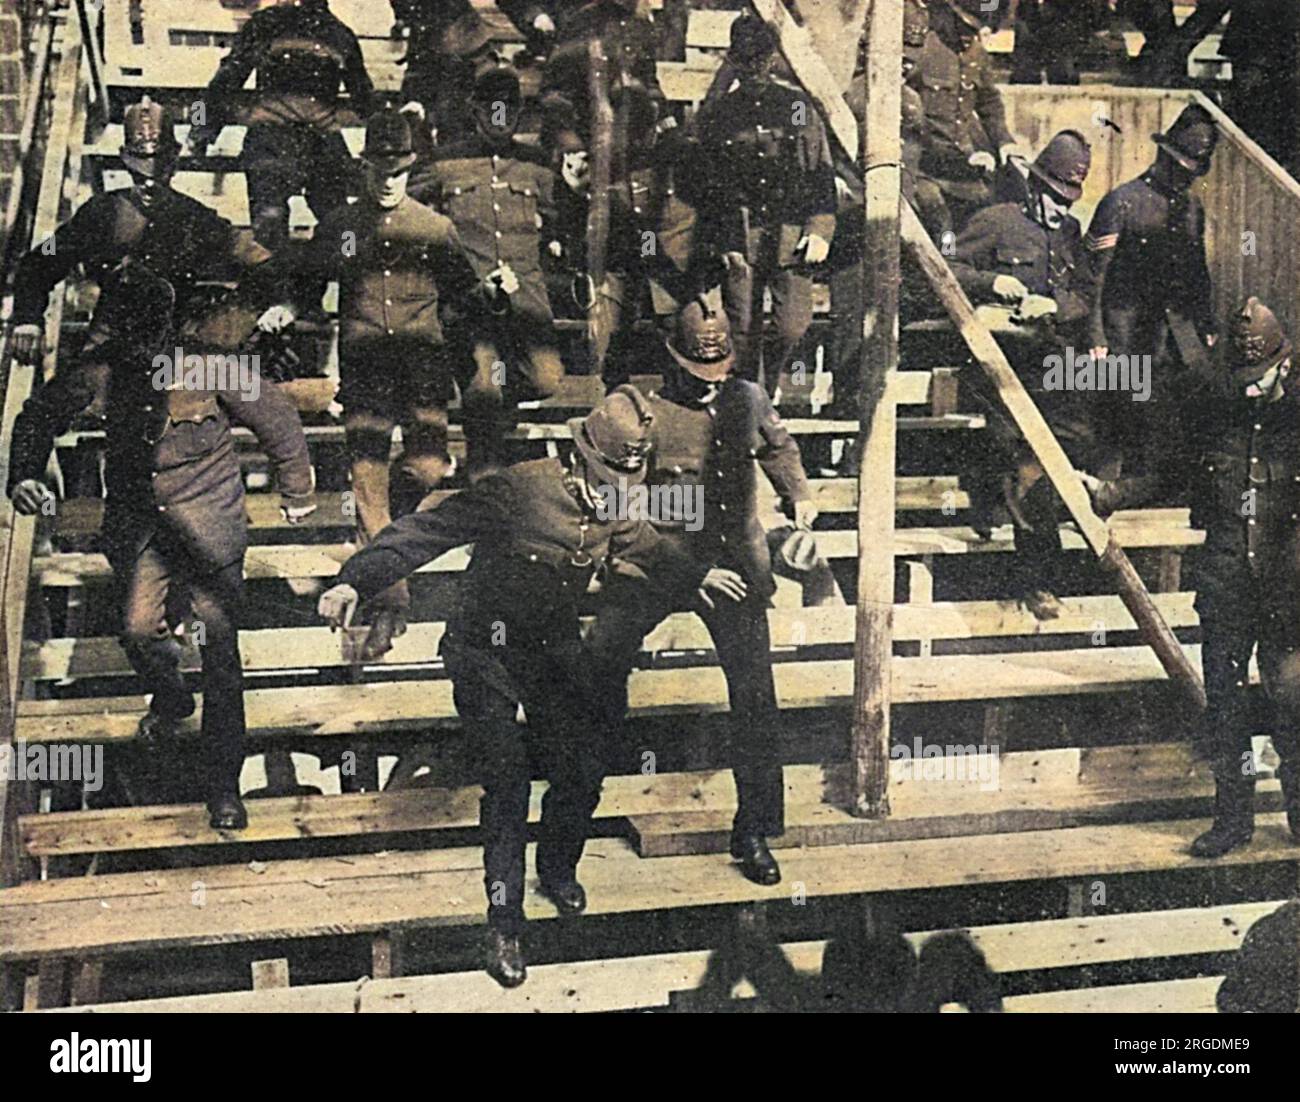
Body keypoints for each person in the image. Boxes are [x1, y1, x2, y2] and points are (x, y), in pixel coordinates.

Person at [317, 386, 743, 987]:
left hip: (548, 647)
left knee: (582, 764)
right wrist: (355, 582)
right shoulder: (518, 489)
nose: (612, 497)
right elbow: (425, 531)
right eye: (602, 480)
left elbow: (641, 543)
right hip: (483, 651)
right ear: (577, 458)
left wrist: (696, 572)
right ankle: (504, 922)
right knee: (508, 782)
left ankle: (558, 866)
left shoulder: (617, 499)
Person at [5, 99, 316, 831]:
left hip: (208, 525)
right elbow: (42, 405)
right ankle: (169, 699)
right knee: (140, 631)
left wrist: (272, 311)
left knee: (222, 649)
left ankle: (224, 785)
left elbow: (276, 415)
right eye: (140, 162)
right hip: (141, 519)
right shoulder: (106, 339)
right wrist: (24, 465)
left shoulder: (208, 356)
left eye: (160, 161)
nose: (151, 173)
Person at [265, 109, 514, 661]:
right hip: (366, 370)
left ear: (410, 168)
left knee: (429, 466)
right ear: (365, 168)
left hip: (423, 369)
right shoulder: (342, 226)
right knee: (368, 485)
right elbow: (307, 286)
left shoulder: (434, 227)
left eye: (398, 169)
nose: (388, 179)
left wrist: (493, 291)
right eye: (379, 168)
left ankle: (377, 544)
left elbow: (462, 298)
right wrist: (285, 306)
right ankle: (392, 605)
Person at [586, 297, 816, 886]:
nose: (710, 385)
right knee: (597, 657)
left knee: (756, 695)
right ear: (672, 362)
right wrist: (687, 571)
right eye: (697, 374)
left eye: (717, 370)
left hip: (734, 561)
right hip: (662, 559)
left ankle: (756, 828)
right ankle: (581, 797)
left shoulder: (746, 397)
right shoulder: (642, 410)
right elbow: (625, 510)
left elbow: (779, 446)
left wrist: (800, 494)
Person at [1083, 297, 1300, 859]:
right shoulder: (1211, 414)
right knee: (1224, 710)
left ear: (1287, 362)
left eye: (1262, 378)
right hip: (1227, 585)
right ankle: (1232, 822)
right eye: (1244, 378)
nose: (1251, 389)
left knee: (1293, 706)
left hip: (1289, 595)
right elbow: (1167, 471)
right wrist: (1109, 496)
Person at [949, 130, 1099, 618]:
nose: (1061, 208)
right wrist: (992, 281)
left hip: (1051, 360)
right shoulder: (995, 222)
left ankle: (1014, 505)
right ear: (1035, 185)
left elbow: (1084, 297)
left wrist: (1052, 305)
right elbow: (941, 270)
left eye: (1069, 199)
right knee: (1028, 464)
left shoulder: (1071, 233)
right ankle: (1038, 580)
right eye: (1055, 197)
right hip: (998, 366)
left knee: (1079, 439)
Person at [411, 61, 564, 480]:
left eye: (509, 109)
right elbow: (411, 214)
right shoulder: (446, 163)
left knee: (547, 378)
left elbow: (564, 217)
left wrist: (551, 249)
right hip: (470, 299)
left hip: (525, 299)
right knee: (484, 389)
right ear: (475, 109)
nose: (500, 118)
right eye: (491, 107)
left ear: (518, 113)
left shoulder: (537, 165)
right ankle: (485, 480)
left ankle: (499, 420)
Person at [691, 13, 836, 398]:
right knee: (742, 326)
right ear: (733, 61)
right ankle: (751, 401)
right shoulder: (722, 113)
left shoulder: (796, 106)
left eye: (760, 59)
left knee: (793, 325)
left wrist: (819, 228)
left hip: (790, 233)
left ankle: (767, 383)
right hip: (741, 234)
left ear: (772, 59)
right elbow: (709, 185)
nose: (753, 69)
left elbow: (819, 171)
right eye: (744, 60)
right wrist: (724, 243)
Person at [1085, 102, 1218, 479]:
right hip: (1123, 330)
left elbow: (1196, 269)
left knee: (1165, 418)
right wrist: (1096, 333)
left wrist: (1206, 320)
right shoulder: (1122, 201)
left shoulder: (1191, 209)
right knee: (1119, 422)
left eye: (1190, 172)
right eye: (1178, 167)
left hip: (1171, 333)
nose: (1183, 178)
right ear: (1163, 156)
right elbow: (1094, 276)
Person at [186, 0, 374, 252]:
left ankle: (344, 271)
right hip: (275, 142)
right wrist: (199, 129)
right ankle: (282, 280)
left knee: (342, 226)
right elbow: (224, 81)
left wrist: (199, 132)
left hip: (313, 145)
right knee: (277, 227)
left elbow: (222, 82)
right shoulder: (272, 25)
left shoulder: (337, 34)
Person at [917, 0, 1025, 232]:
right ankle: (947, 260)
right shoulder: (924, 51)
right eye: (964, 27)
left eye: (976, 29)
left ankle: (963, 263)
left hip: (966, 166)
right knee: (941, 222)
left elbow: (989, 103)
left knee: (993, 213)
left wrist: (1004, 142)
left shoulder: (976, 52)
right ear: (948, 17)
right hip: (926, 167)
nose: (970, 36)